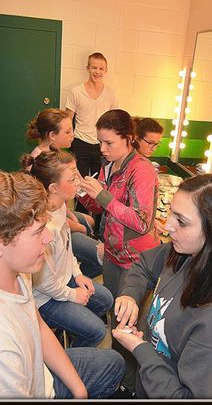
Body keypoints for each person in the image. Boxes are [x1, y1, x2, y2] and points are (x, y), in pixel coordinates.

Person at [0, 168, 124, 399]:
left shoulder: (5, 268)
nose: (48, 238)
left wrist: (79, 390)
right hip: (17, 378)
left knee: (113, 364)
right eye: (39, 232)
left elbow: (35, 324)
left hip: (33, 371)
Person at [112, 173, 212, 398]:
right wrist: (130, 295)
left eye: (181, 221)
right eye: (172, 213)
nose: (167, 226)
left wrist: (140, 349)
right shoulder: (184, 251)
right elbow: (144, 266)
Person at [77, 109, 160, 395]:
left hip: (136, 260)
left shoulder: (142, 170)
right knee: (117, 319)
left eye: (109, 143)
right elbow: (101, 210)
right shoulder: (110, 165)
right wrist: (84, 193)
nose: (102, 149)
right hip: (113, 255)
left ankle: (132, 386)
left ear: (129, 139)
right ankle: (117, 376)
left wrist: (102, 194)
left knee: (130, 326)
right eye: (100, 142)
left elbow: (141, 221)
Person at [27, 149, 113, 348]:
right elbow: (43, 283)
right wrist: (73, 295)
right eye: (73, 179)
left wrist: (78, 274)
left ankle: (73, 331)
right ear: (53, 188)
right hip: (46, 298)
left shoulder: (59, 206)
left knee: (105, 300)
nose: (79, 182)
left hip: (64, 280)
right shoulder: (43, 226)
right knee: (96, 331)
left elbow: (67, 249)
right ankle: (68, 362)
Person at [21, 108, 103, 278]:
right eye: (68, 131)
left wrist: (70, 216)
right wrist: (73, 225)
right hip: (49, 221)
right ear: (52, 135)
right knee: (87, 230)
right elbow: (47, 214)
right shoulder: (40, 164)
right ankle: (68, 279)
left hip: (59, 213)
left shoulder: (55, 154)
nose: (72, 135)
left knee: (88, 221)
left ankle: (73, 273)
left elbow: (60, 205)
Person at [66, 52, 119, 180]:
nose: (97, 72)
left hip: (103, 145)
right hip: (80, 143)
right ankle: (80, 201)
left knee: (100, 184)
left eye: (101, 68)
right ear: (87, 68)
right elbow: (68, 120)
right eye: (94, 67)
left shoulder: (111, 94)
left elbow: (115, 122)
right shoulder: (75, 92)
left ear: (105, 70)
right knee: (79, 184)